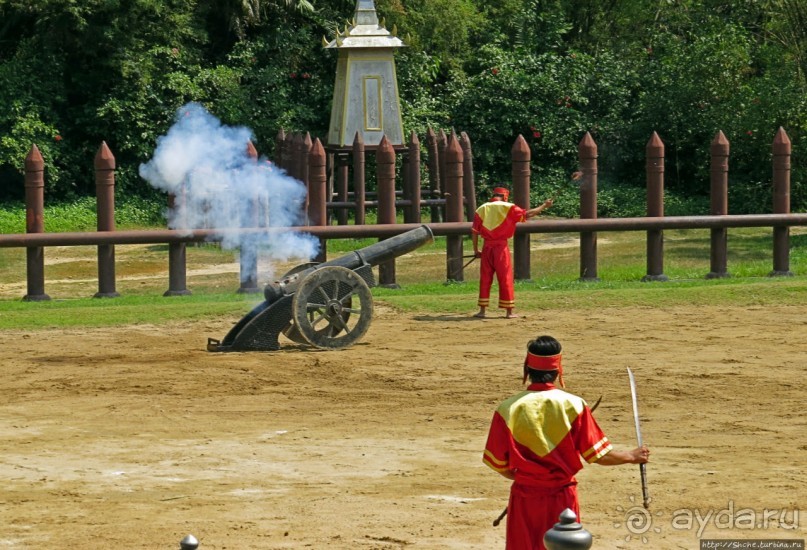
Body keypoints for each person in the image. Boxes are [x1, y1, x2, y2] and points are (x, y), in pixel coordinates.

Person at [482, 335, 650, 550]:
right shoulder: (574, 405)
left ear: (527, 369)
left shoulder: (508, 408)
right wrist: (631, 456)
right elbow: (599, 456)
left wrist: (529, 478)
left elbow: (497, 463)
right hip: (562, 499)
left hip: (524, 497)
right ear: (558, 370)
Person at [472, 187, 553, 319]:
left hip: (487, 247)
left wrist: (476, 250)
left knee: (485, 278)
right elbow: (528, 214)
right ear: (505, 196)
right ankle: (509, 312)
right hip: (501, 248)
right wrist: (544, 205)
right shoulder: (509, 207)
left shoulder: (481, 208)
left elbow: (475, 232)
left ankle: (482, 311)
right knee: (505, 278)